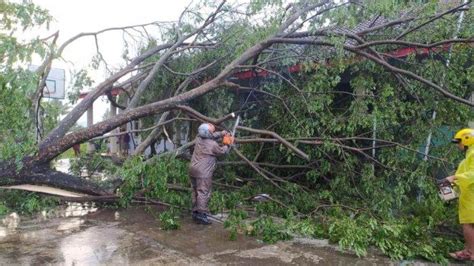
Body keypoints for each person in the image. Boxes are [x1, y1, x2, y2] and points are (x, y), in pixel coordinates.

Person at [189, 123, 234, 225]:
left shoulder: (198, 139)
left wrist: (221, 133)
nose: (213, 133)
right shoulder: (212, 145)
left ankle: (195, 212)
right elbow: (222, 152)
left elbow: (210, 135)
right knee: (203, 192)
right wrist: (227, 143)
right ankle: (201, 215)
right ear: (208, 133)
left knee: (195, 191)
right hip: (203, 173)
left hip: (193, 170)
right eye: (212, 131)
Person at [445, 128, 474, 261]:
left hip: (472, 197)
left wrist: (454, 179)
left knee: (468, 224)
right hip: (468, 196)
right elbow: (461, 175)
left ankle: (470, 252)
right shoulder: (468, 157)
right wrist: (448, 190)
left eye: (459, 142)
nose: (458, 145)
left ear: (467, 140)